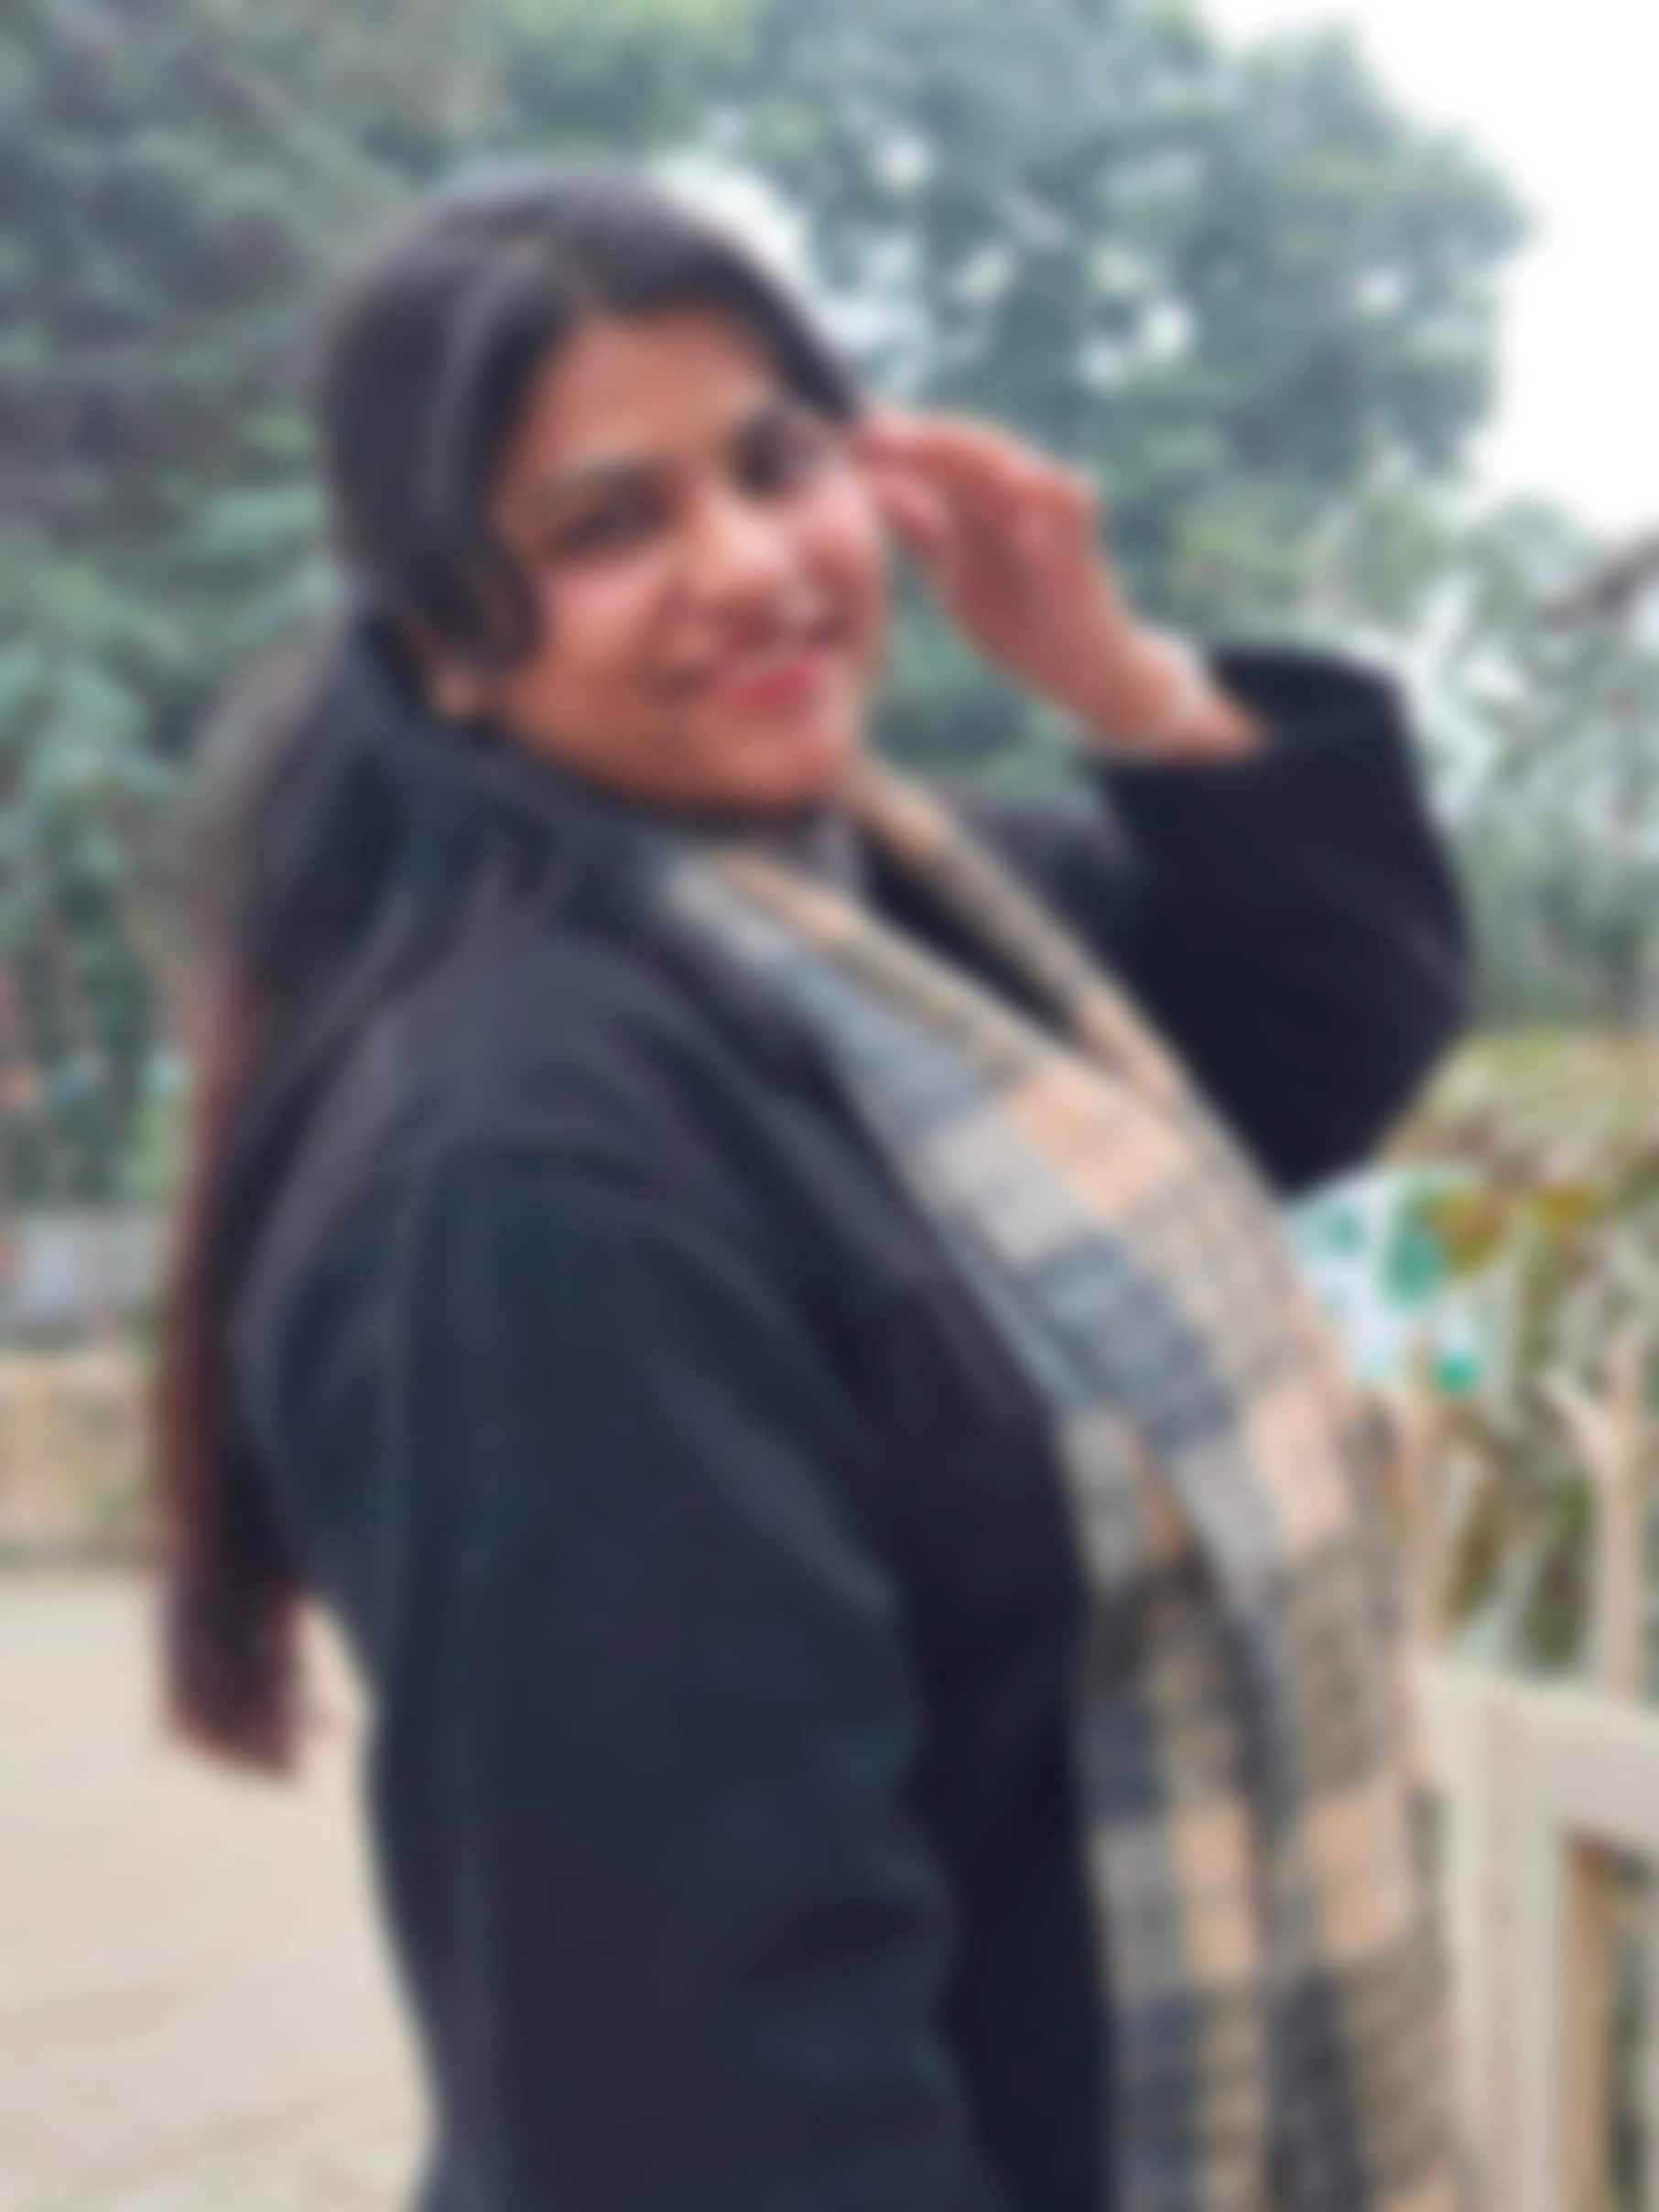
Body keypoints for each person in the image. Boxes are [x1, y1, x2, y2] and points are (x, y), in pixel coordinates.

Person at [153, 162, 1470, 2212]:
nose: (755, 566)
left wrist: (1120, 680)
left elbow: (1321, 1039)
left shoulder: (921, 920)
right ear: (447, 653)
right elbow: (703, 2079)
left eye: (779, 465)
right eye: (610, 526)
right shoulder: (528, 1177)